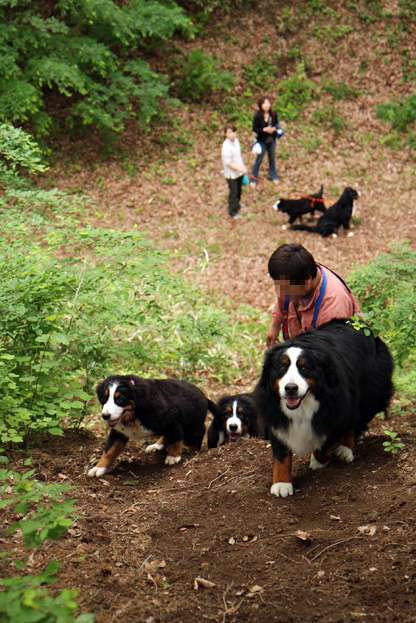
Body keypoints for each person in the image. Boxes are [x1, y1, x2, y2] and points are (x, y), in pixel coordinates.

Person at [266, 243, 361, 347]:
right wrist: (275, 325)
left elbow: (331, 355)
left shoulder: (332, 308)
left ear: (307, 281)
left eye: (286, 289)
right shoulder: (296, 275)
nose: (281, 293)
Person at [251, 96, 279, 187]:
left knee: (272, 158)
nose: (267, 105)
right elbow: (255, 129)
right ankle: (254, 178)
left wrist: (274, 130)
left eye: (268, 103)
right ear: (260, 105)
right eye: (264, 103)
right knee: (259, 159)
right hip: (262, 140)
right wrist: (264, 130)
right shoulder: (258, 116)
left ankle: (273, 176)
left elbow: (277, 125)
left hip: (271, 139)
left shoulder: (273, 115)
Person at [221, 123, 248, 219]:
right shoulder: (226, 147)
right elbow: (228, 163)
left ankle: (237, 205)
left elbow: (238, 157)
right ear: (225, 135)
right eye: (229, 132)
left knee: (239, 190)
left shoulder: (236, 141)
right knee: (234, 192)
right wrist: (240, 169)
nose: (232, 134)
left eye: (233, 132)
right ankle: (232, 211)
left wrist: (243, 166)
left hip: (239, 172)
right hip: (231, 175)